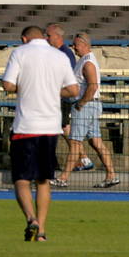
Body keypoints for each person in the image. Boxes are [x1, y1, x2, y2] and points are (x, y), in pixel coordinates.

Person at [2, 26, 78, 242]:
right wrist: (52, 90)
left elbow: (8, 84)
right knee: (43, 180)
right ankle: (42, 232)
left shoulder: (20, 52)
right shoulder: (59, 56)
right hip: (50, 128)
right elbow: (73, 90)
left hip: (26, 126)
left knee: (22, 179)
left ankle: (30, 218)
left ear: (24, 38)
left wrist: (26, 87)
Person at [51, 33, 120, 189]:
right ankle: (111, 175)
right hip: (90, 105)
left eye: (76, 44)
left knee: (75, 142)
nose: (74, 47)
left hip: (85, 106)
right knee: (96, 142)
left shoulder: (88, 63)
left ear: (84, 44)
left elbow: (93, 86)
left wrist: (81, 103)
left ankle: (63, 178)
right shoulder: (83, 61)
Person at [46, 23, 92, 172]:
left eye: (49, 35)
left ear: (58, 36)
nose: (46, 38)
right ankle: (83, 158)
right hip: (58, 95)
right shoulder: (56, 52)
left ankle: (82, 158)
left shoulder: (64, 53)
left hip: (62, 95)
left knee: (64, 127)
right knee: (64, 127)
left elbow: (67, 75)